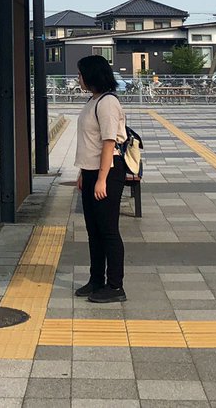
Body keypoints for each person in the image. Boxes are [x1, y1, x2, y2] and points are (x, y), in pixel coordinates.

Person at [73, 54, 127, 303]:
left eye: (81, 73)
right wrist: (84, 173)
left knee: (108, 231)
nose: (79, 78)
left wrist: (102, 179)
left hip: (108, 171)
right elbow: (89, 142)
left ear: (91, 75)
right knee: (93, 230)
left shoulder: (107, 103)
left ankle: (115, 286)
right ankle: (96, 280)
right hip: (92, 171)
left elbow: (108, 143)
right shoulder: (93, 100)